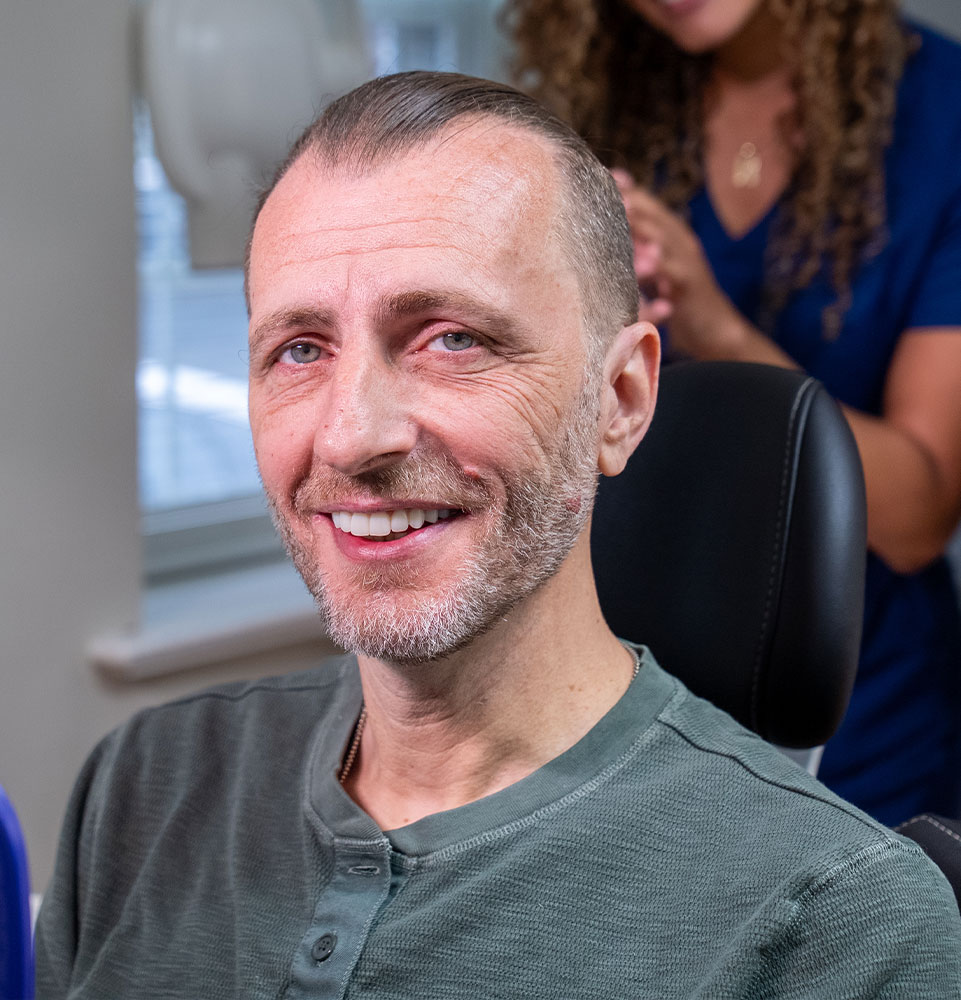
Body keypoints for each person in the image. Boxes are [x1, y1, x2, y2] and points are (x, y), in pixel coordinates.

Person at [35, 72, 961, 999]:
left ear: (620, 400)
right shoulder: (141, 788)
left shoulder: (838, 931)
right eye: (301, 350)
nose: (352, 436)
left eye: (452, 339)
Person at [506, 0, 961, 827]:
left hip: (869, 704)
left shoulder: (941, 118)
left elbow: (918, 514)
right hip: (628, 690)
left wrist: (711, 326)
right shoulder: (609, 105)